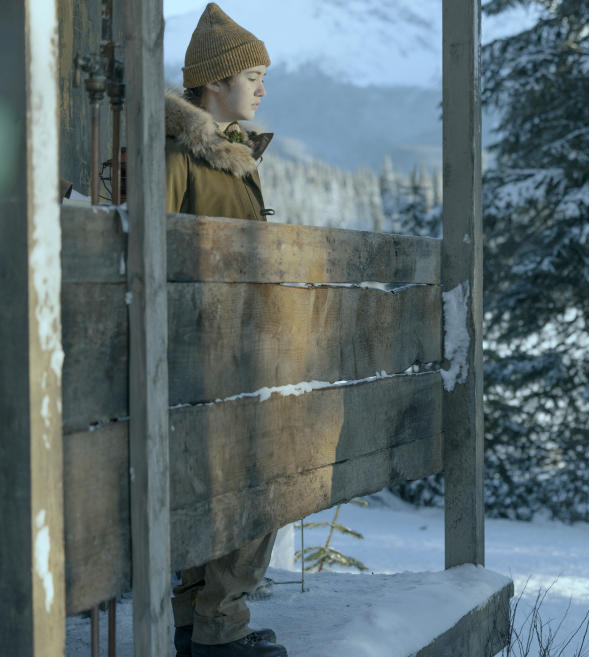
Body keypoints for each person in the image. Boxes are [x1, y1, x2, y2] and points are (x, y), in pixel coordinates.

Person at [165, 4, 285, 657]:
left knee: (218, 486)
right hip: (198, 354)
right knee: (253, 484)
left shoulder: (233, 155)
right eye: (255, 74)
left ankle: (200, 620)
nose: (264, 88)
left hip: (229, 351)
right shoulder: (181, 155)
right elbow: (155, 250)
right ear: (215, 82)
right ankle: (216, 623)